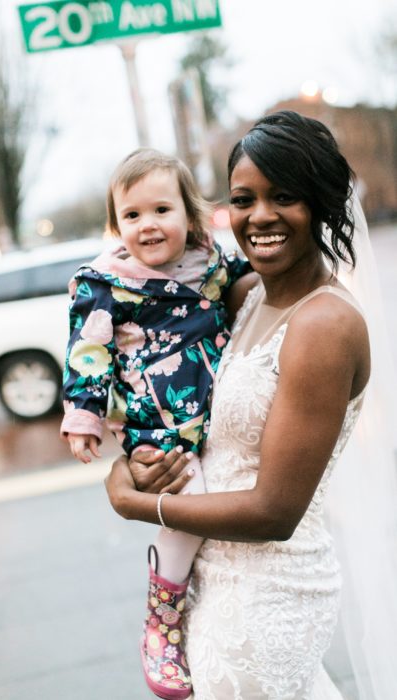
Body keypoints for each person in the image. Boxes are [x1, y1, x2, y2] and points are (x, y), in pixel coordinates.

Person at [104, 111, 385, 699]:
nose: (259, 216)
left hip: (269, 595)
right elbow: (164, 386)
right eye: (243, 199)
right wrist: (132, 459)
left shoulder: (325, 324)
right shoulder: (246, 295)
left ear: (322, 203)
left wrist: (141, 504)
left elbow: (274, 511)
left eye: (284, 196)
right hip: (210, 579)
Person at [60, 148, 251, 699]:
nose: (148, 225)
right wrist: (84, 417)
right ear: (116, 224)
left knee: (225, 502)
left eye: (162, 209)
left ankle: (203, 611)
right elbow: (87, 352)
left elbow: (254, 284)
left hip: (218, 414)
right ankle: (162, 621)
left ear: (190, 216)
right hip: (158, 425)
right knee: (191, 508)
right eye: (132, 215)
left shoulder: (211, 264)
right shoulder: (106, 283)